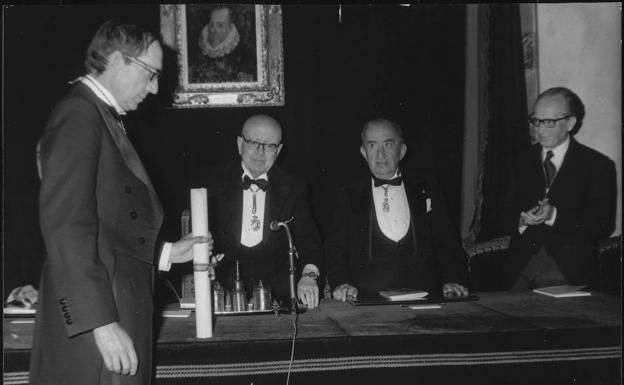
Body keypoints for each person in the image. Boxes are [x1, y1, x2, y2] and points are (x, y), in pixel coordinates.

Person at [30, 20, 211, 385]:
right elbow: (67, 225)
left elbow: (108, 222)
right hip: (100, 319)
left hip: (114, 307)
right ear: (116, 61)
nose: (155, 87)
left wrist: (167, 254)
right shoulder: (80, 114)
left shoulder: (96, 114)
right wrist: (101, 322)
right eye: (150, 74)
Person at [325, 118, 469, 301]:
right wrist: (341, 283)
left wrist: (454, 280)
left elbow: (447, 242)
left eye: (388, 144)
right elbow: (335, 248)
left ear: (402, 151)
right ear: (363, 152)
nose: (380, 154)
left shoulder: (427, 188)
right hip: (366, 299)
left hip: (425, 296)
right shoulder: (348, 194)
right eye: (372, 146)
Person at [198, 114, 322, 309]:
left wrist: (309, 276)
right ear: (240, 144)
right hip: (224, 298)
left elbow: (310, 242)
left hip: (278, 298)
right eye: (254, 142)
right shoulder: (210, 183)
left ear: (278, 151)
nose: (260, 152)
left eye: (270, 146)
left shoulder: (294, 187)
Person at [504, 87, 617, 291]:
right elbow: (500, 214)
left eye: (549, 122)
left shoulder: (598, 165)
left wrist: (553, 215)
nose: (540, 130)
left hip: (570, 272)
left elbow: (602, 225)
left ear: (570, 123)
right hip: (518, 270)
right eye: (536, 121)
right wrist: (521, 221)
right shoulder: (519, 161)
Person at [193, 5, 256, 83]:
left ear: (230, 27)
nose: (214, 30)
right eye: (212, 25)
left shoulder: (244, 54)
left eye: (220, 25)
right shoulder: (198, 51)